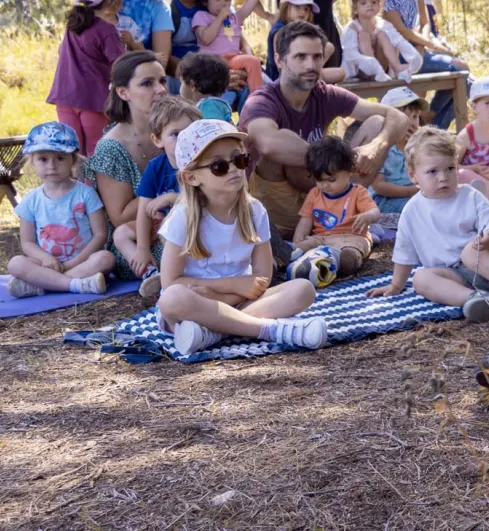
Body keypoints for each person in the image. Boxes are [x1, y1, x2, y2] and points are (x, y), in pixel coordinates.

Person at [156, 119, 328, 356]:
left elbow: (262, 277)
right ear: (191, 178)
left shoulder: (255, 210)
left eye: (240, 159)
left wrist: (227, 297)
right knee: (172, 299)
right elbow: (171, 283)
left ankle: (214, 332)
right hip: (197, 303)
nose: (235, 169)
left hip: (240, 300)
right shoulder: (183, 218)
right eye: (219, 166)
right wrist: (231, 286)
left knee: (304, 289)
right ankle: (271, 330)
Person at [238, 21, 409, 239]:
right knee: (281, 148)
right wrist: (338, 160)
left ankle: (347, 211)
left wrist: (377, 145)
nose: (311, 65)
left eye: (317, 57)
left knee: (376, 123)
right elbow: (268, 143)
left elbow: (398, 117)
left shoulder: (326, 94)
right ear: (280, 61)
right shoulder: (262, 101)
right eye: (300, 57)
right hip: (276, 210)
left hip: (325, 193)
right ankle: (289, 235)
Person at [367, 127, 489, 324]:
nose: (443, 177)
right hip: (463, 276)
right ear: (413, 176)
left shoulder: (469, 195)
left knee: (469, 252)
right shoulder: (412, 211)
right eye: (432, 172)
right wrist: (396, 284)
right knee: (421, 279)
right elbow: (404, 252)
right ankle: (477, 300)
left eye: (449, 168)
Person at [83, 51, 170, 283]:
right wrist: (171, 191)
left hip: (179, 217)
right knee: (184, 252)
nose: (160, 89)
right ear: (123, 92)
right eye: (147, 83)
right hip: (136, 237)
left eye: (162, 81)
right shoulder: (111, 148)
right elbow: (119, 216)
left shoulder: (174, 130)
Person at [5, 122, 116, 298]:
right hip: (47, 264)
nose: (51, 166)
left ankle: (46, 284)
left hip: (82, 262)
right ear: (32, 162)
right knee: (16, 263)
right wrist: (45, 259)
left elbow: (100, 235)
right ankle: (75, 284)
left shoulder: (86, 194)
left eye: (60, 158)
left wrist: (74, 262)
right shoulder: (30, 201)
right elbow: (27, 243)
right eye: (43, 159)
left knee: (106, 258)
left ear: (73, 159)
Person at [375, 0, 466, 129]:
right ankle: (432, 127)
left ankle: (432, 122)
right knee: (460, 68)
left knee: (464, 74)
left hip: (418, 48)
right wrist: (430, 45)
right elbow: (399, 28)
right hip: (394, 54)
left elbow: (425, 23)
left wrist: (423, 45)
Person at [113, 96, 201, 300]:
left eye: (190, 133)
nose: (183, 140)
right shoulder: (156, 167)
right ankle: (150, 273)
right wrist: (143, 248)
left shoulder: (203, 165)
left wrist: (173, 198)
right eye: (175, 134)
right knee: (121, 234)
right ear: (157, 139)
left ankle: (175, 276)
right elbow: (144, 210)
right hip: (163, 230)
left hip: (195, 230)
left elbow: (209, 205)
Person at [48, 0, 125, 154]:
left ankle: (75, 185)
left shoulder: (73, 25)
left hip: (65, 98)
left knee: (72, 154)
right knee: (97, 152)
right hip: (94, 101)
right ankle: (94, 185)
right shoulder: (106, 30)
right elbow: (122, 66)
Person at [291, 136, 379, 279]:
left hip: (352, 237)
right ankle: (298, 259)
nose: (325, 185)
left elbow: (375, 212)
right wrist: (298, 240)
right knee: (303, 246)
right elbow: (306, 219)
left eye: (331, 180)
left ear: (350, 171)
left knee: (352, 250)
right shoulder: (315, 193)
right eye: (319, 180)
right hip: (321, 238)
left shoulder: (358, 192)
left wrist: (368, 216)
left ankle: (347, 265)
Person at [166, 0, 248, 98]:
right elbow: (165, 58)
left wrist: (248, 60)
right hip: (184, 76)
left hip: (223, 65)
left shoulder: (213, 0)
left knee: (261, 87)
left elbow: (237, 36)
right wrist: (210, 78)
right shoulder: (166, 5)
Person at [193, 0, 269, 92]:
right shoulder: (201, 16)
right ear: (205, 1)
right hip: (211, 62)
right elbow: (206, 39)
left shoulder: (235, 18)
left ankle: (256, 99)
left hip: (233, 59)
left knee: (254, 62)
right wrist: (220, 17)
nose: (223, 3)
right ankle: (257, 99)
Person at [342, 0, 421, 82]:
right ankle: (373, 71)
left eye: (373, 2)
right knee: (363, 35)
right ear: (355, 9)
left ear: (380, 6)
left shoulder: (384, 24)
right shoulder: (352, 28)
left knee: (383, 35)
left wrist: (414, 57)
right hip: (361, 71)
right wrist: (372, 66)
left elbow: (399, 41)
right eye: (363, 3)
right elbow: (350, 54)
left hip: (383, 68)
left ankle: (396, 67)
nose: (369, 5)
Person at [265, 0, 344, 84]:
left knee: (340, 73)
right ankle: (312, 79)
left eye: (306, 9)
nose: (303, 12)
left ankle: (313, 74)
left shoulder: (302, 30)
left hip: (304, 70)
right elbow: (281, 64)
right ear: (285, 7)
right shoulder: (280, 31)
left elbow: (328, 47)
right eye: (297, 7)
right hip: (282, 76)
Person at [370, 87, 426, 217]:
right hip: (385, 200)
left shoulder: (419, 145)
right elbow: (378, 186)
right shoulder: (382, 147)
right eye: (404, 117)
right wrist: (410, 191)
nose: (412, 123)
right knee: (419, 208)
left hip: (417, 193)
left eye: (415, 117)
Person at [177, 52, 234, 123]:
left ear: (192, 85)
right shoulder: (213, 105)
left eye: (181, 82)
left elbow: (214, 131)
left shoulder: (208, 107)